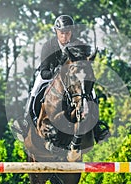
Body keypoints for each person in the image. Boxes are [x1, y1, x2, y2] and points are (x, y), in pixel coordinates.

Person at [13, 15, 109, 144]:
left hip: (73, 78)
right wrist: (57, 73)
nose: (64, 36)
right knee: (36, 88)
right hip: (50, 76)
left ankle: (96, 127)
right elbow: (44, 70)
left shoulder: (78, 45)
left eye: (67, 33)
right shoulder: (48, 46)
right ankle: (25, 121)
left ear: (71, 32)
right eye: (61, 33)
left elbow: (84, 64)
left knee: (91, 91)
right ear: (56, 32)